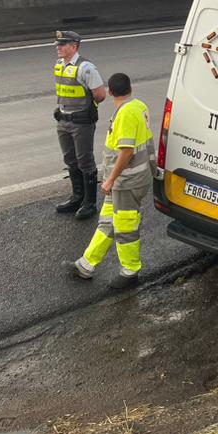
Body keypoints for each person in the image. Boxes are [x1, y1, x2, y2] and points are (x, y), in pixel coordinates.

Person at [66, 72, 153, 290]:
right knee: (107, 221)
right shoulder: (138, 106)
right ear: (130, 88)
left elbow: (126, 152)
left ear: (110, 91)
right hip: (125, 181)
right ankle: (86, 264)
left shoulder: (125, 114)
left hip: (126, 181)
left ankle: (130, 272)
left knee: (125, 228)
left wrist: (109, 180)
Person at [52, 30, 107, 220]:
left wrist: (86, 109)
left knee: (85, 160)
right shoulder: (59, 65)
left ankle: (90, 203)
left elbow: (100, 94)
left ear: (74, 46)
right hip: (63, 120)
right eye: (58, 44)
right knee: (70, 160)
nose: (58, 47)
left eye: (63, 44)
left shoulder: (86, 67)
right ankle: (77, 197)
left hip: (81, 122)